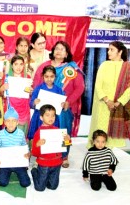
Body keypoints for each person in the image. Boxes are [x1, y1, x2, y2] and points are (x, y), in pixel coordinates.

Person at [33, 40, 85, 168]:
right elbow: (36, 84)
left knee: (63, 131)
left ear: (66, 53)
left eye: (62, 49)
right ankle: (45, 154)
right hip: (45, 109)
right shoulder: (44, 66)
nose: (58, 51)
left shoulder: (72, 69)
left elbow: (80, 87)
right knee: (44, 131)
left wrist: (69, 101)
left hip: (63, 108)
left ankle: (64, 156)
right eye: (56, 48)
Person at [87, 41, 130, 148]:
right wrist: (107, 101)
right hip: (103, 105)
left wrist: (118, 102)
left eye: (112, 50)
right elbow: (98, 86)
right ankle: (97, 155)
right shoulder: (104, 65)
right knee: (100, 131)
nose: (108, 52)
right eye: (108, 49)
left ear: (120, 52)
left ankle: (108, 155)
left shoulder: (129, 68)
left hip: (118, 107)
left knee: (112, 139)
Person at [31, 104, 70, 191]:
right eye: (47, 115)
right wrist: (37, 144)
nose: (51, 118)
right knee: (40, 188)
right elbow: (34, 153)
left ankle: (47, 177)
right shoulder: (38, 133)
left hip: (57, 163)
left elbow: (64, 147)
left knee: (52, 187)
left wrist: (67, 140)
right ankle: (34, 171)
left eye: (53, 115)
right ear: (41, 117)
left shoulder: (58, 130)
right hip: (44, 163)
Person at [0, 107, 31, 187]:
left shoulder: (21, 133)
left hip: (18, 162)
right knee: (2, 183)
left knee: (26, 183)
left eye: (13, 121)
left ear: (17, 122)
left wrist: (27, 153)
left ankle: (31, 171)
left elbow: (24, 145)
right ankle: (6, 172)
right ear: (4, 122)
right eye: (8, 121)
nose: (11, 123)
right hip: (6, 163)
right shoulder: (0, 134)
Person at [28, 66, 63, 140]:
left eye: (52, 76)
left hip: (52, 118)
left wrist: (62, 105)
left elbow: (61, 105)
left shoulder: (59, 90)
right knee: (39, 138)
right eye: (46, 76)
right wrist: (34, 102)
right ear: (43, 76)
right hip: (39, 118)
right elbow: (31, 103)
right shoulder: (38, 88)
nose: (49, 79)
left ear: (55, 77)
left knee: (51, 139)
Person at [1, 55, 32, 137]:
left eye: (21, 64)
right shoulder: (6, 77)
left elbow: (30, 95)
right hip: (11, 108)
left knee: (21, 135)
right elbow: (2, 95)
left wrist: (31, 91)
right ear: (12, 65)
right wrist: (2, 89)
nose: (18, 67)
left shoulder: (27, 77)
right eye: (16, 64)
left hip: (24, 109)